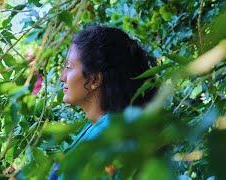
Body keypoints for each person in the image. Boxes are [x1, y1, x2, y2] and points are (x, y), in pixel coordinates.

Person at [50, 25, 155, 179]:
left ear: (94, 79)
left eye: (69, 67)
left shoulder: (109, 135)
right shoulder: (100, 126)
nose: (62, 77)